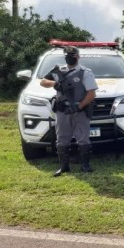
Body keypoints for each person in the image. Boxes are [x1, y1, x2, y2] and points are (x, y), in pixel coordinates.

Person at [40, 46, 98, 177]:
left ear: (78, 56)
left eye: (72, 55)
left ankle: (85, 165)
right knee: (61, 138)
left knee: (83, 138)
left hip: (80, 110)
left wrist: (80, 106)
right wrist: (55, 84)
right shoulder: (58, 71)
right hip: (62, 110)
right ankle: (64, 167)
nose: (70, 57)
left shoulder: (85, 72)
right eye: (67, 55)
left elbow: (91, 94)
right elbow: (43, 82)